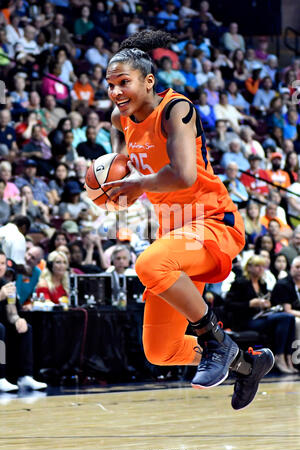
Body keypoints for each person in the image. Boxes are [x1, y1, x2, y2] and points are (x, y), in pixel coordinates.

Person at [103, 30, 274, 410]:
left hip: (212, 221)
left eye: (124, 82)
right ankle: (248, 364)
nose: (116, 91)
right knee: (161, 351)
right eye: (111, 84)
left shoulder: (177, 109)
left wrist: (138, 183)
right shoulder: (121, 118)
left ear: (149, 81)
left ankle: (217, 342)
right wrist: (115, 184)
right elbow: (132, 163)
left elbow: (183, 175)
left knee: (149, 263)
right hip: (174, 235)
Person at [225, 255, 297, 374]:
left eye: (263, 266)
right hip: (244, 320)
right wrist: (249, 303)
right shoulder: (240, 282)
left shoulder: (262, 283)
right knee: (285, 317)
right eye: (257, 266)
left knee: (289, 318)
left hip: (259, 317)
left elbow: (267, 302)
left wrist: (267, 304)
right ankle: (279, 356)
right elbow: (228, 305)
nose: (261, 269)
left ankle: (288, 357)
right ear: (249, 267)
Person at [0, 251, 47, 391]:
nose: (0, 267)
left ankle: (26, 376)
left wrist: (17, 319)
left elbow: (11, 311)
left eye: (2, 263)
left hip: (3, 324)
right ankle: (0, 377)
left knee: (26, 327)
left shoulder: (7, 285)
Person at [271, 255, 300, 342]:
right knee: (298, 322)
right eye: (297, 267)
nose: (299, 270)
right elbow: (287, 310)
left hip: (295, 313)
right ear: (291, 268)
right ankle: (297, 353)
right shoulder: (283, 284)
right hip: (282, 314)